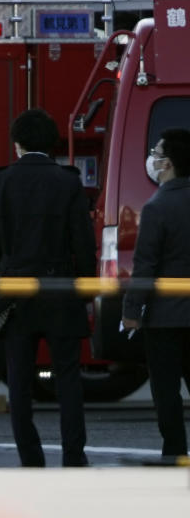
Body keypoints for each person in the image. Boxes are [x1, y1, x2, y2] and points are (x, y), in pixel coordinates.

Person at [0, 108, 95, 467]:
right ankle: (74, 457)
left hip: (16, 289)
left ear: (17, 145)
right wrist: (84, 287)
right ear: (52, 143)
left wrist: (9, 270)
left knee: (19, 379)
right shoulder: (68, 182)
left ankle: (31, 459)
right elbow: (83, 244)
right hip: (61, 287)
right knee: (68, 378)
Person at [122, 128, 190, 458]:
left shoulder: (157, 207)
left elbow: (145, 265)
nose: (152, 157)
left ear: (168, 163)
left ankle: (175, 453)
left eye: (157, 152)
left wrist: (131, 312)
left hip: (165, 318)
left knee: (167, 391)